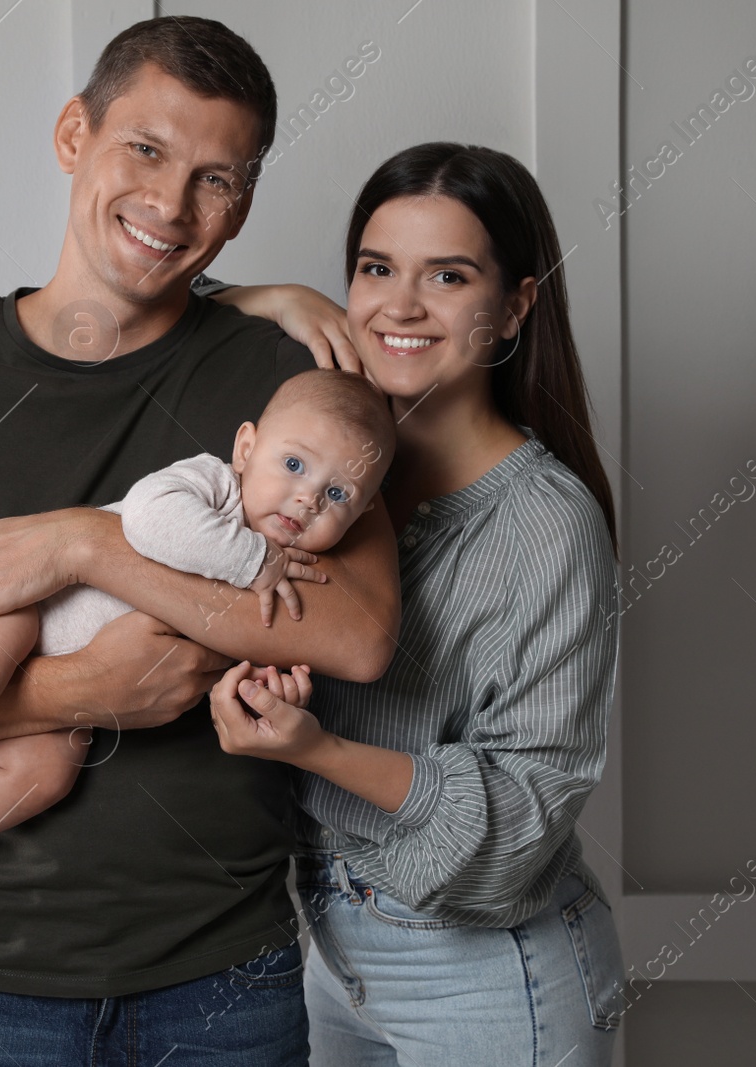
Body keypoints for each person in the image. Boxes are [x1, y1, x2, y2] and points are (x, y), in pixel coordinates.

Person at [0, 16, 401, 1067]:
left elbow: (359, 633)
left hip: (219, 988)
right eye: (144, 150)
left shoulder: (288, 383)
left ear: (243, 206)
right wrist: (79, 689)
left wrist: (86, 547)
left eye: (216, 179)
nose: (171, 204)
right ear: (71, 134)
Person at [206, 142, 628, 1065]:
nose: (400, 306)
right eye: (375, 269)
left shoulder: (544, 524)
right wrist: (276, 300)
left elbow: (523, 819)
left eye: (447, 275)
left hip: (489, 974)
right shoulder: (319, 476)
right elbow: (157, 307)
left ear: (515, 304)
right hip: (327, 951)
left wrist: (314, 749)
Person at [0, 369, 397, 899]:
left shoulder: (289, 565)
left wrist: (269, 694)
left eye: (338, 495)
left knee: (41, 778)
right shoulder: (214, 485)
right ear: (247, 448)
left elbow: (255, 640)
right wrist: (254, 561)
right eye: (294, 464)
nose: (307, 498)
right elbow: (147, 521)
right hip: (28, 610)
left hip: (70, 686)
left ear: (364, 510)